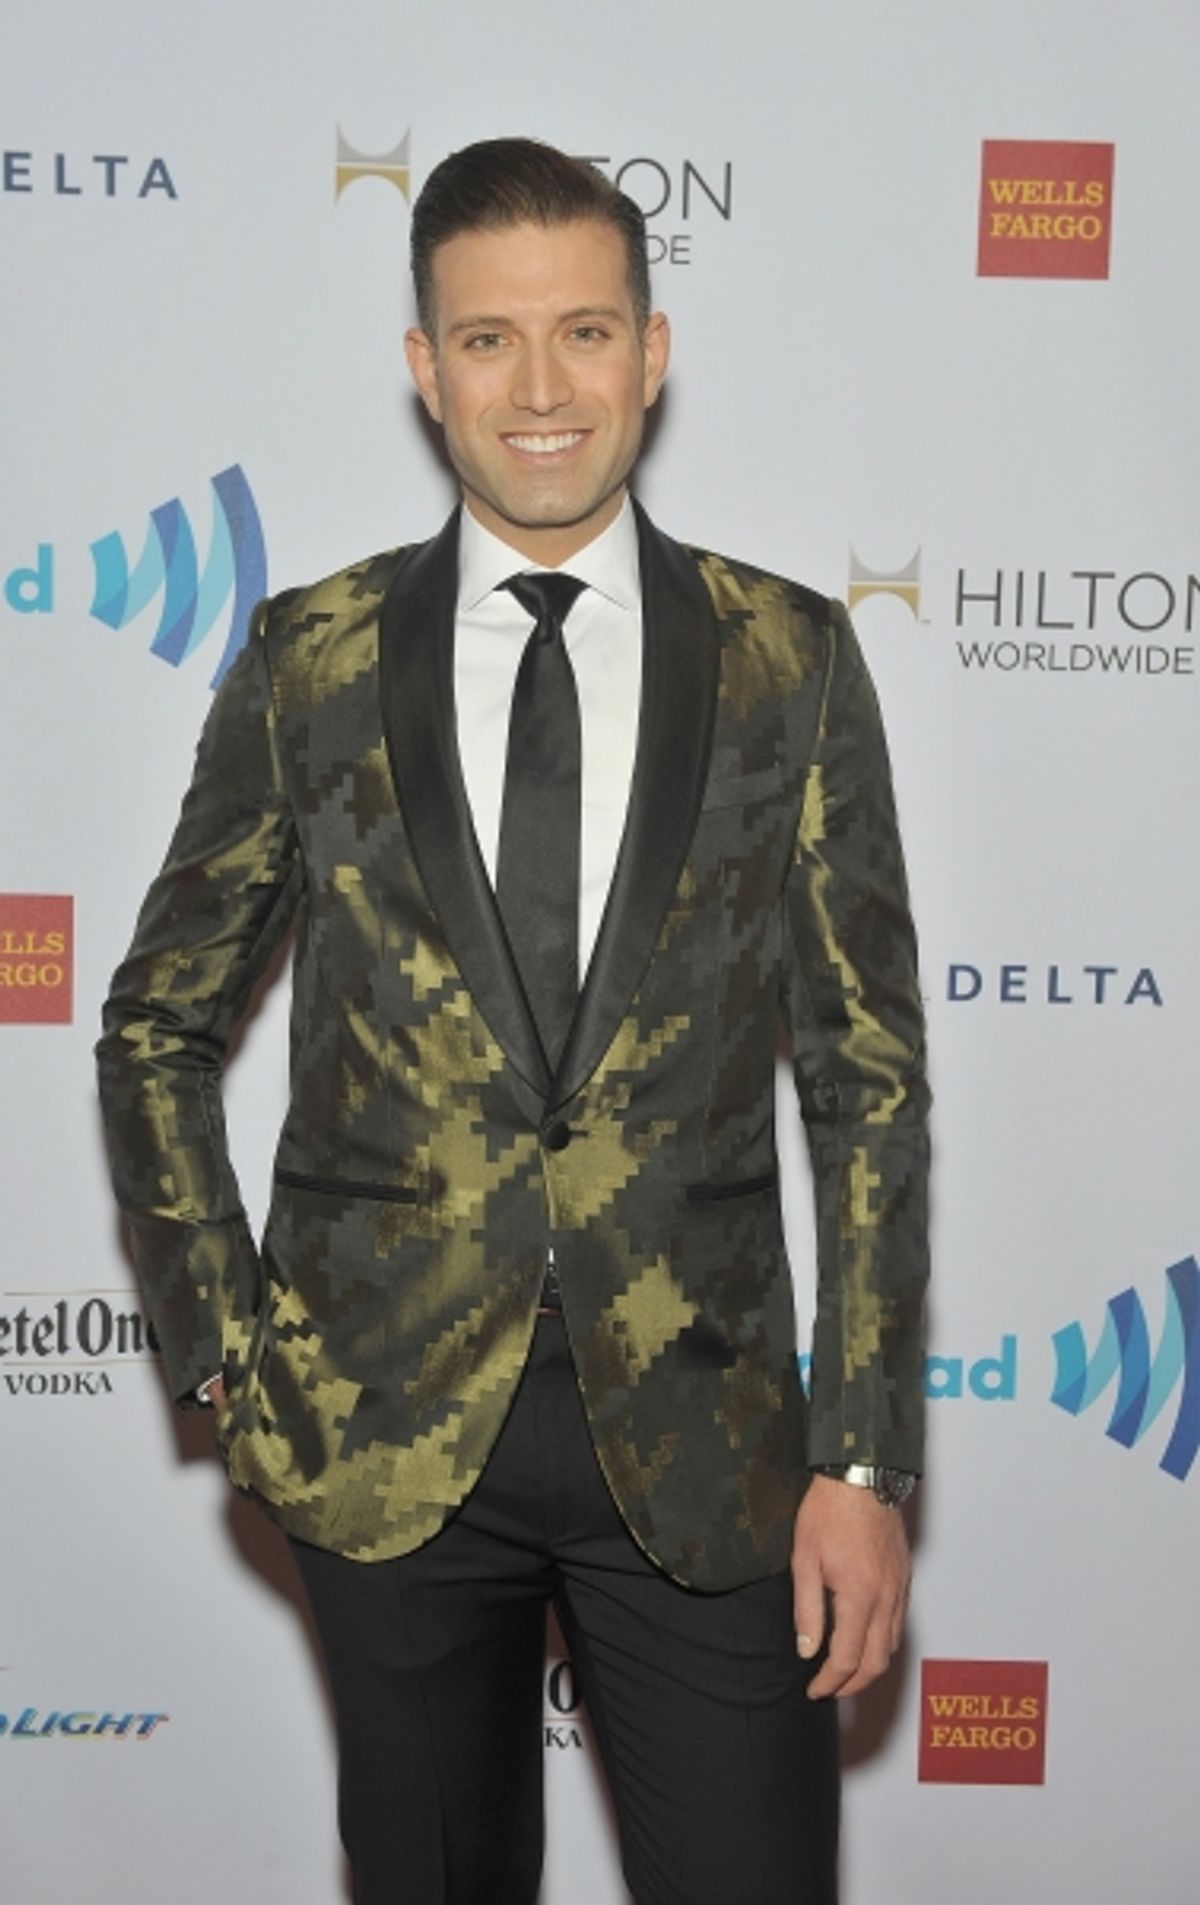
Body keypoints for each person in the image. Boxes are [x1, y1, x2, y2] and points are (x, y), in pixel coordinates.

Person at [96, 137, 929, 1905]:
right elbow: (156, 1022)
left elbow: (867, 1082)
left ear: (654, 345)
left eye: (584, 333)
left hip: (711, 1445)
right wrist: (229, 1357)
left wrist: (863, 1450)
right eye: (488, 341)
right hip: (382, 1436)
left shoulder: (786, 656)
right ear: (424, 367)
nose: (540, 391)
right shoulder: (306, 660)